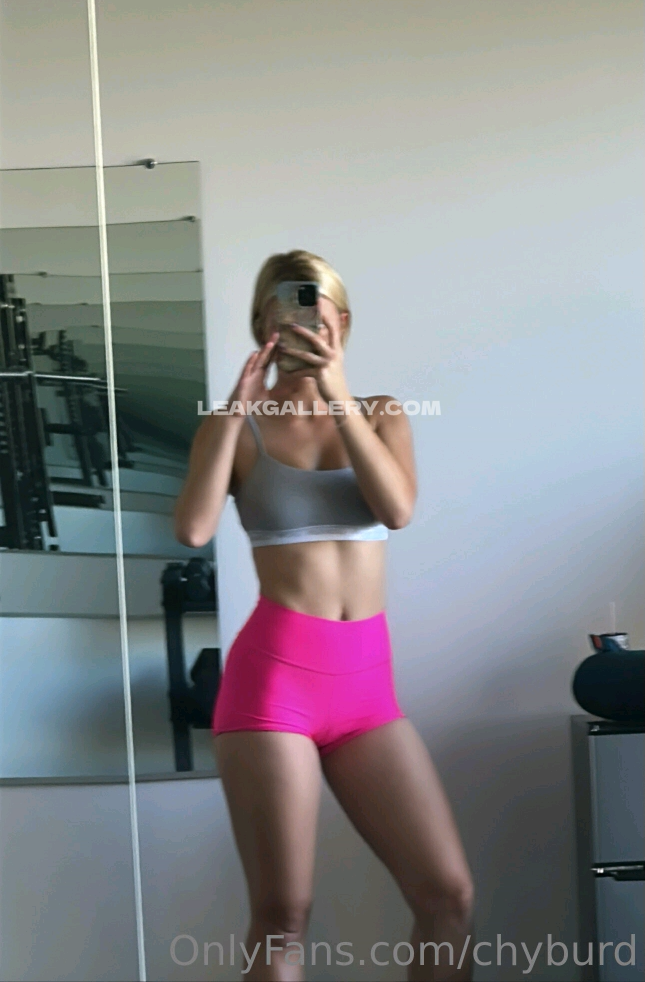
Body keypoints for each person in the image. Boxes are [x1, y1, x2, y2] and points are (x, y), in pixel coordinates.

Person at [174, 250, 474, 982]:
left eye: (320, 308)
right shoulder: (234, 424)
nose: (307, 321)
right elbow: (193, 528)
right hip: (273, 688)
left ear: (342, 321)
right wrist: (235, 407)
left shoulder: (380, 413)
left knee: (448, 897)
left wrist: (336, 394)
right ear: (264, 323)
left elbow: (396, 510)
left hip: (367, 694)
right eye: (288, 307)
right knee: (283, 916)